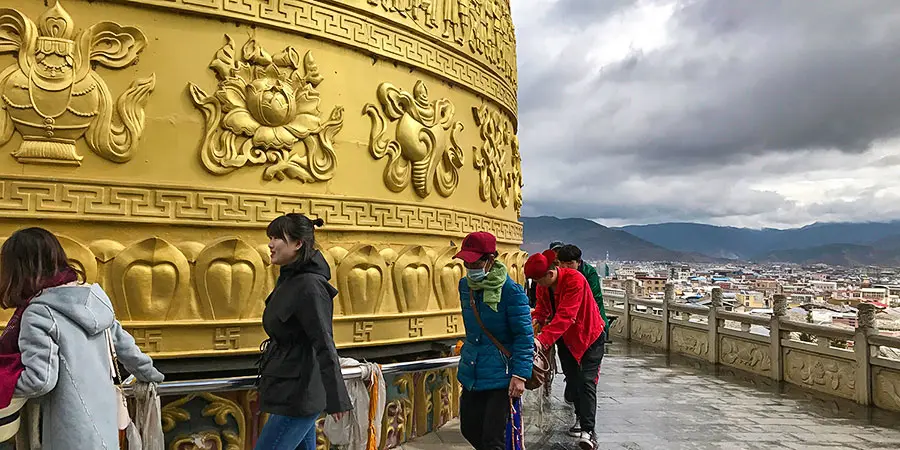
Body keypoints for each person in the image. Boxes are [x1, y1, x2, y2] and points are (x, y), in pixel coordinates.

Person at [0, 227, 164, 449]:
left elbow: (40, 380)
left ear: (18, 270)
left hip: (66, 431)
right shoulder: (94, 298)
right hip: (104, 424)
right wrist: (150, 374)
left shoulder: (38, 312)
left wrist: (7, 384)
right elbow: (125, 346)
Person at [255, 214, 351, 450]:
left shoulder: (310, 287)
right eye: (270, 237)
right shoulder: (290, 280)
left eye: (277, 237)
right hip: (290, 385)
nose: (270, 244)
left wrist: (336, 399)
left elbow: (324, 343)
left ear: (298, 244)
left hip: (299, 393)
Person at [456, 231, 533, 450]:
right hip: (473, 369)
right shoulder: (465, 286)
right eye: (466, 262)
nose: (471, 268)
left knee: (493, 439)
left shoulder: (512, 293)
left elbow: (524, 336)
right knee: (469, 428)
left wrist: (520, 375)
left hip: (503, 374)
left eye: (475, 262)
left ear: (490, 260)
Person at [526, 251, 605, 450]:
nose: (537, 284)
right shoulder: (543, 287)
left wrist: (541, 341)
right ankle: (580, 416)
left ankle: (589, 431)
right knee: (573, 379)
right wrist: (534, 319)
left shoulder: (575, 279)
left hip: (589, 336)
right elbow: (543, 309)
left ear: (550, 273)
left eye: (538, 279)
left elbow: (566, 316)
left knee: (587, 381)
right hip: (566, 339)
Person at [556, 245, 608, 340]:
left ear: (579, 262)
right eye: (562, 263)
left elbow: (595, 297)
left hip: (591, 321)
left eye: (570, 264)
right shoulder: (557, 274)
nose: (565, 267)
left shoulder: (588, 272)